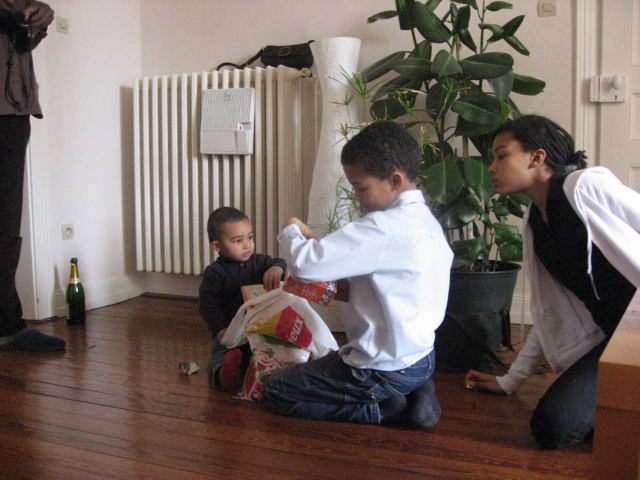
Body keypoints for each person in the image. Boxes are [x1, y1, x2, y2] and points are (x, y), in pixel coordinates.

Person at [262, 120, 453, 427]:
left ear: (394, 180)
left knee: (277, 390)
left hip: (380, 367)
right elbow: (395, 290)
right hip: (421, 357)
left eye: (361, 188)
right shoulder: (427, 222)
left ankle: (387, 409)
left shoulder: (383, 227)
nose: (357, 197)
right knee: (327, 367)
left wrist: (290, 229)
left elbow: (305, 264)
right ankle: (415, 388)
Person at [465, 114, 640, 449]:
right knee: (553, 427)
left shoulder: (585, 187)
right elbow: (548, 314)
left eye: (501, 156)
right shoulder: (536, 223)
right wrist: (510, 380)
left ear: (537, 157)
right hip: (616, 341)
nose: (491, 167)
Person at [0, 0, 65, 352]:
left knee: (6, 226)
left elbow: (23, 46)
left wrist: (38, 19)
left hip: (11, 112)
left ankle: (7, 326)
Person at [199, 206, 286, 390]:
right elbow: (208, 306)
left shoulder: (260, 262)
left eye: (250, 237)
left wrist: (276, 268)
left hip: (259, 327)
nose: (247, 245)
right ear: (217, 246)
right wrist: (220, 329)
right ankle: (222, 373)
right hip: (231, 330)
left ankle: (257, 367)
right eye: (238, 240)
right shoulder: (215, 272)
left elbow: (278, 262)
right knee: (223, 353)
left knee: (265, 351)